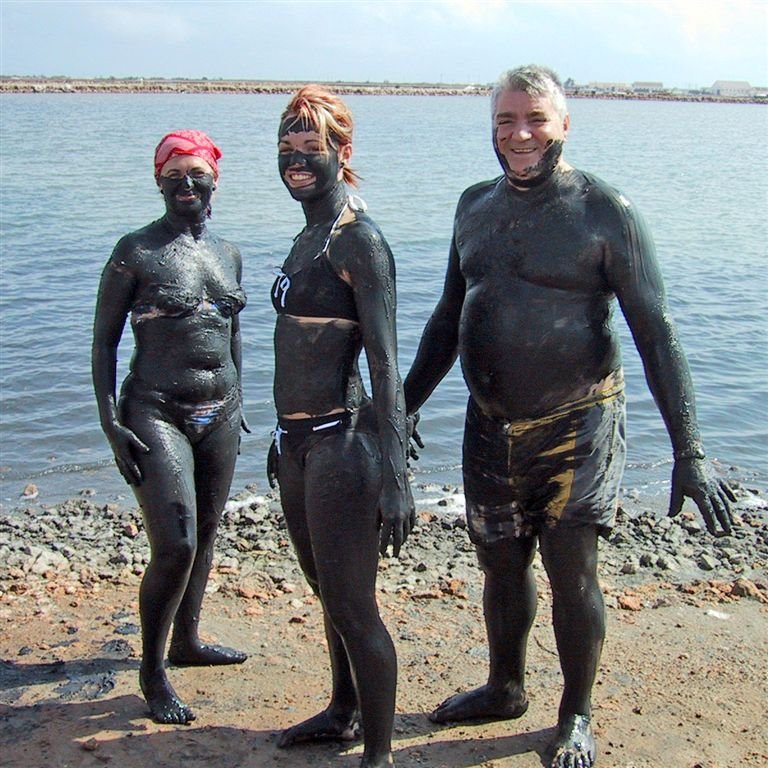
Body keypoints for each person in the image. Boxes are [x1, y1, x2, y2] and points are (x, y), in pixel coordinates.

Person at [403, 65, 735, 768]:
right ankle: (504, 686)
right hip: (489, 425)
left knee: (570, 569)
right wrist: (399, 408)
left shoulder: (605, 211)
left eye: (535, 121)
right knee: (499, 565)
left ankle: (576, 712)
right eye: (505, 121)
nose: (520, 135)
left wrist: (690, 451)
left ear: (564, 126)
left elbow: (657, 333)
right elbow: (445, 318)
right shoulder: (473, 206)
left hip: (578, 424)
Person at [268, 85, 414, 767]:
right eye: (288, 148)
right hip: (296, 447)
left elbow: (386, 367)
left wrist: (396, 477)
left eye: (312, 148)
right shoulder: (308, 234)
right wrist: (278, 439)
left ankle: (378, 755)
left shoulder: (361, 241)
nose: (297, 160)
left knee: (354, 605)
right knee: (325, 592)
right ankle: (342, 709)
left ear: (342, 153)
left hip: (341, 445)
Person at [92, 130, 248, 725]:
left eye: (197, 173)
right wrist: (111, 421)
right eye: (174, 173)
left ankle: (188, 640)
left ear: (215, 179)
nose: (186, 183)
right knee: (176, 542)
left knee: (206, 533)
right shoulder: (135, 251)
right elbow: (104, 340)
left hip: (224, 410)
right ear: (158, 180)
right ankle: (152, 672)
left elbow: (233, 331)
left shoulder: (229, 253)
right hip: (156, 410)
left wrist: (243, 398)